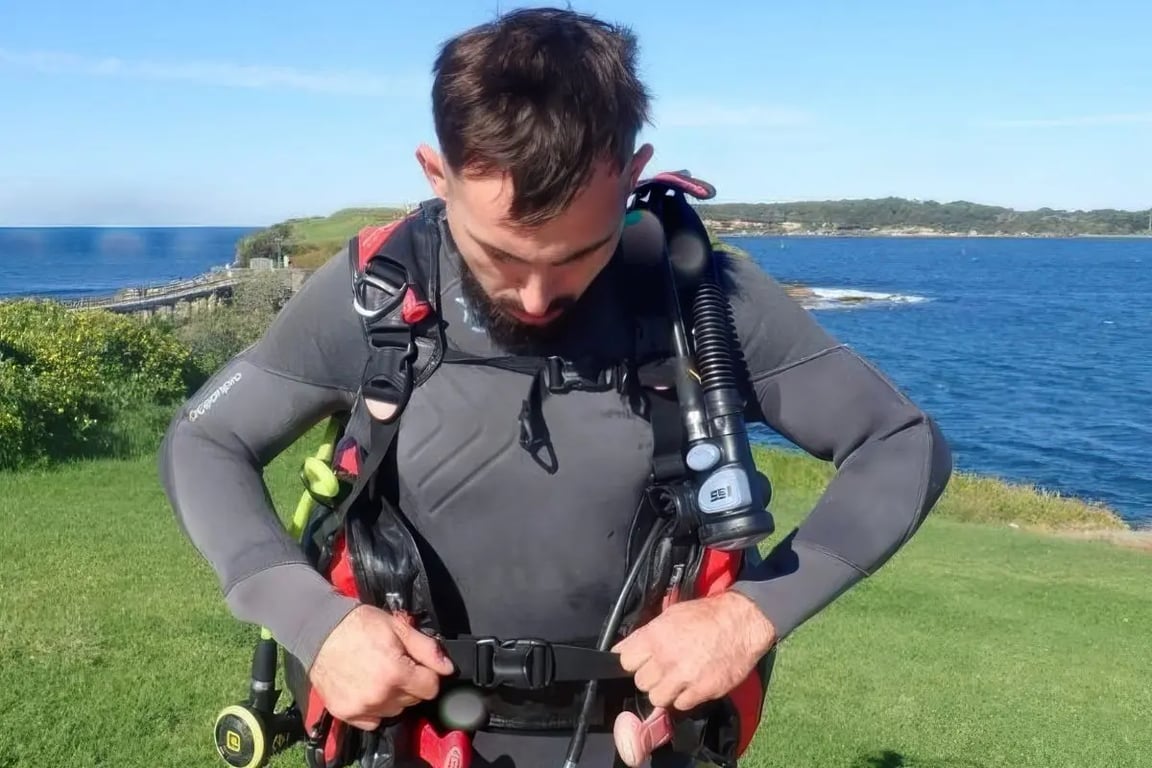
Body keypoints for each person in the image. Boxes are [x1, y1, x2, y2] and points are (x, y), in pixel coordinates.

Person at [158, 7, 953, 768]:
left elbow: (899, 442)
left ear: (635, 172)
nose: (537, 298)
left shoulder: (701, 302)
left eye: (580, 253)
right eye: (500, 255)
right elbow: (206, 440)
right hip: (408, 740)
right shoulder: (374, 298)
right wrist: (314, 622)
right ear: (437, 174)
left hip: (638, 743)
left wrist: (751, 614)